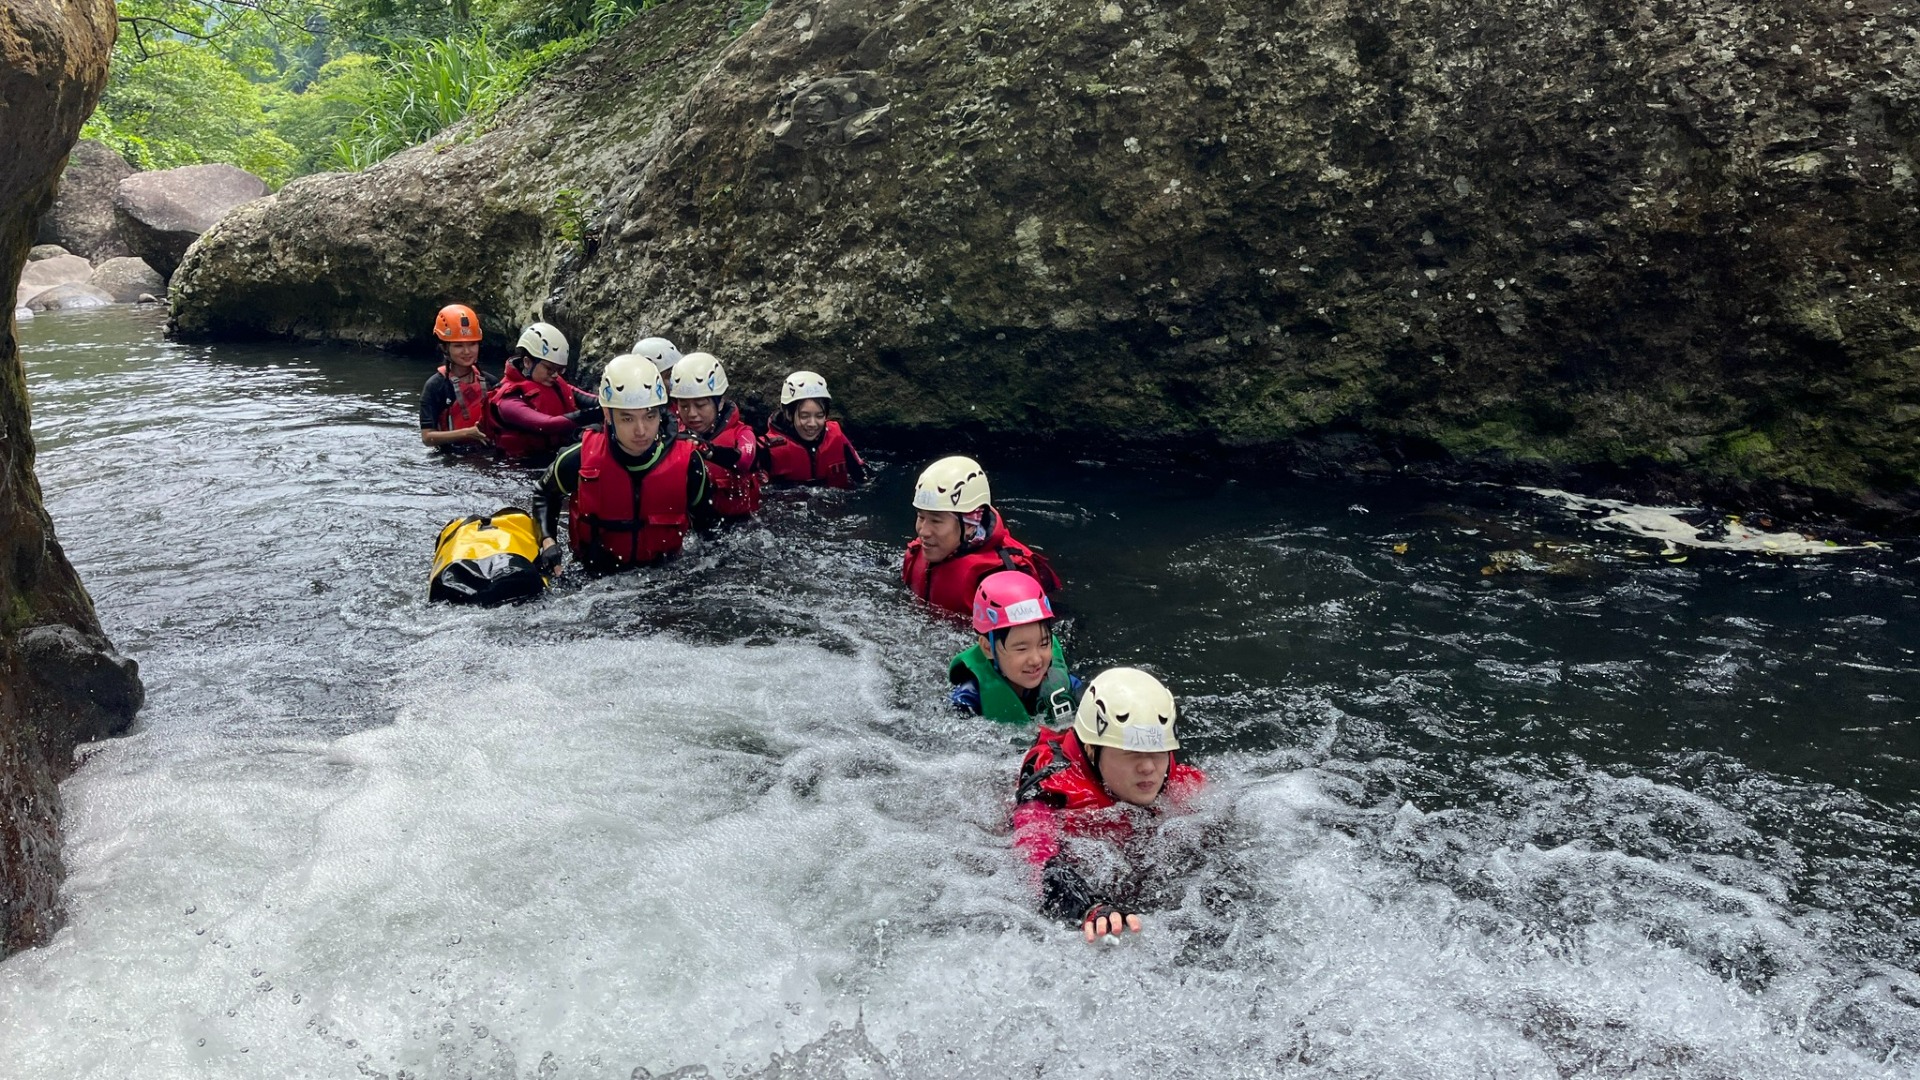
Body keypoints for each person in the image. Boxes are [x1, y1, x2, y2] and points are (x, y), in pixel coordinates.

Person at [1013, 667, 1206, 943]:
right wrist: (1090, 907)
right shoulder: (1049, 796)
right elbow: (1037, 866)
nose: (1149, 768)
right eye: (1132, 754)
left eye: (1157, 751)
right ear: (1091, 749)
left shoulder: (1177, 782)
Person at [533, 353, 710, 572]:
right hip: (595, 575)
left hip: (665, 577)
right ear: (608, 414)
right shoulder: (580, 458)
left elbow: (708, 532)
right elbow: (543, 492)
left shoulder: (689, 461)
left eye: (650, 416)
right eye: (627, 418)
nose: (641, 431)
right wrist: (548, 540)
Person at [902, 455, 1059, 618]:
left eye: (936, 521)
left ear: (970, 524)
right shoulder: (916, 553)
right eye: (921, 517)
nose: (923, 531)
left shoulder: (1006, 578)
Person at [950, 571, 1082, 725]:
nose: (1036, 660)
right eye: (1021, 649)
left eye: (1044, 644)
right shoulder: (968, 700)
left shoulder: (1066, 686)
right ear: (987, 648)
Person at [485, 322, 599, 460]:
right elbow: (546, 425)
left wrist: (613, 405)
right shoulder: (508, 400)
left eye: (560, 369)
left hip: (553, 454)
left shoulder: (554, 384)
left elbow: (591, 400)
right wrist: (594, 414)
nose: (556, 375)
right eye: (550, 369)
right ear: (527, 362)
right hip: (521, 467)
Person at [669, 352, 762, 519]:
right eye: (684, 406)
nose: (692, 414)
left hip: (740, 526)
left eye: (700, 405)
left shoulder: (743, 433)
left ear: (719, 403)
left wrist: (707, 450)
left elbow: (744, 459)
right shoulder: (673, 434)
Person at [760, 370, 867, 488]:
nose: (813, 424)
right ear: (788, 414)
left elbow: (864, 478)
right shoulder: (767, 450)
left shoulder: (836, 437)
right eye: (804, 416)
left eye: (820, 416)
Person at [419, 303, 496, 449]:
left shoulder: (490, 382)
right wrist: (466, 433)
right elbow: (427, 437)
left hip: (486, 452)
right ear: (444, 348)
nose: (467, 351)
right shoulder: (436, 386)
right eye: (458, 346)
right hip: (451, 457)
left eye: (472, 344)